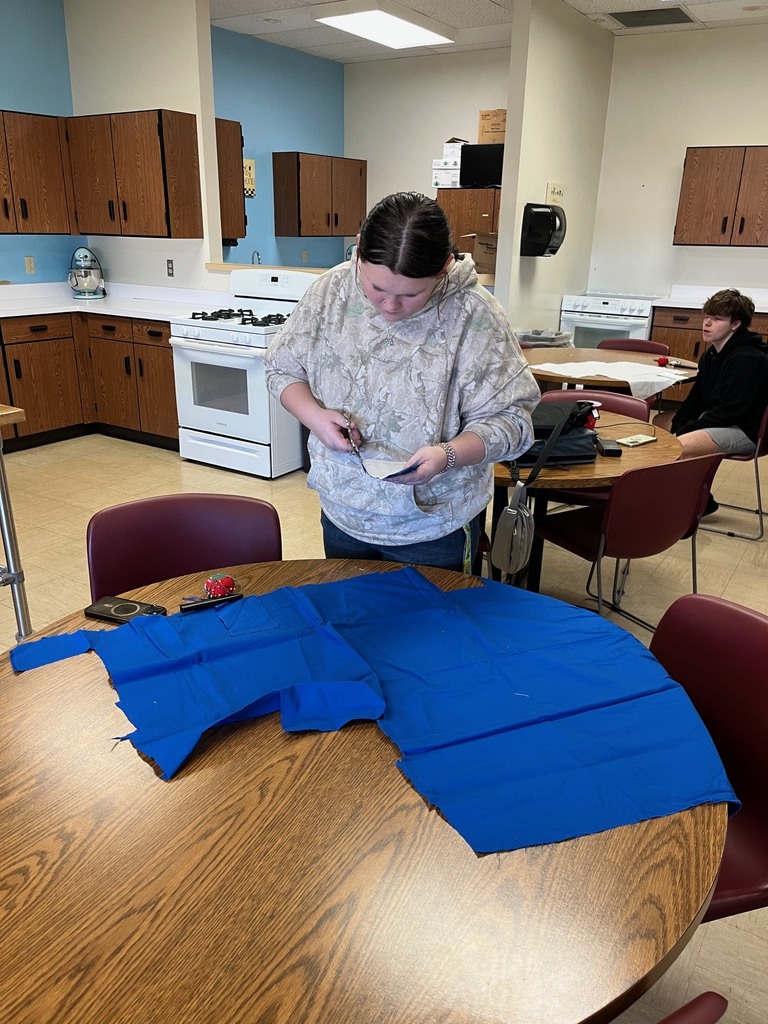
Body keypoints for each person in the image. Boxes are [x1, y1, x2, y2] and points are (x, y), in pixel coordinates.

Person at [264, 191, 539, 571]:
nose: (390, 306)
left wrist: (449, 455)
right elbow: (282, 369)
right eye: (376, 289)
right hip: (345, 513)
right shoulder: (331, 292)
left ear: (444, 267)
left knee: (432, 629)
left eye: (411, 294)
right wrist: (314, 417)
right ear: (359, 251)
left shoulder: (474, 315)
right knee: (356, 624)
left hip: (436, 525)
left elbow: (514, 423)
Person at [654, 288, 768, 514]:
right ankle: (701, 498)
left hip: (745, 430)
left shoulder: (747, 358)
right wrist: (680, 424)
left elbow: (731, 411)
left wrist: (687, 430)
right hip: (722, 420)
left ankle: (690, 501)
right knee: (659, 425)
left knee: (679, 445)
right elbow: (695, 399)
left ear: (735, 325)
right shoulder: (713, 353)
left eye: (717, 319)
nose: (707, 323)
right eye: (707, 316)